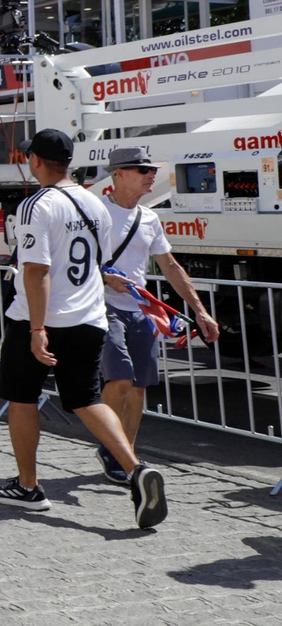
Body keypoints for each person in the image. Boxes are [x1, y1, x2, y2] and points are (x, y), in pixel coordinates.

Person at [0, 129, 168, 528]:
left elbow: (36, 270)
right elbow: (96, 266)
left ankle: (28, 486)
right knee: (87, 399)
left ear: (35, 160)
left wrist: (36, 330)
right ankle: (136, 469)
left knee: (22, 398)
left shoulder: (37, 204)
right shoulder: (95, 203)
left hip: (40, 318)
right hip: (89, 317)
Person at [95, 147, 220, 484]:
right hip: (102, 305)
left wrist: (200, 312)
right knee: (119, 377)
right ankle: (110, 445)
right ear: (118, 174)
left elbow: (170, 267)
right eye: (141, 169)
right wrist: (105, 277)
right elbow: (73, 259)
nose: (150, 174)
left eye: (151, 169)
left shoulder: (149, 218)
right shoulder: (97, 212)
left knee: (139, 386)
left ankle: (127, 455)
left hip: (141, 310)